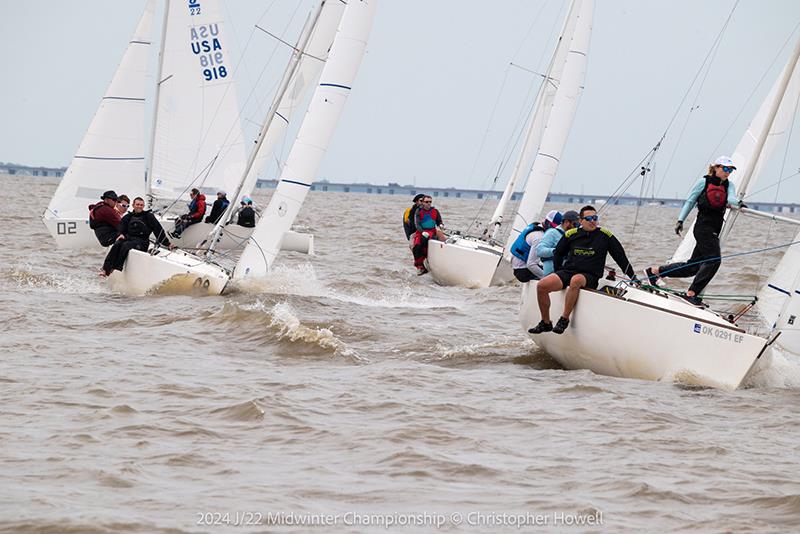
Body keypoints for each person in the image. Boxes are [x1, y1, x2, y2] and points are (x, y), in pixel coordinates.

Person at [643, 156, 738, 305]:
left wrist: (739, 203)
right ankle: (691, 293)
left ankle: (654, 272)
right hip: (702, 227)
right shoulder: (704, 182)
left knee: (693, 267)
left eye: (730, 170)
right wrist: (680, 220)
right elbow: (690, 201)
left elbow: (732, 198)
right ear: (716, 167)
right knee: (714, 260)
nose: (728, 172)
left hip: (715, 227)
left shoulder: (729, 185)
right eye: (725, 169)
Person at [529, 205, 637, 335]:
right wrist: (558, 271)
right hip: (568, 271)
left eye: (595, 218)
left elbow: (621, 258)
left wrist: (633, 277)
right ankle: (545, 322)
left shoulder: (605, 236)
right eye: (589, 218)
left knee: (576, 280)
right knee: (542, 285)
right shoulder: (571, 234)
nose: (593, 221)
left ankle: (564, 319)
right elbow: (558, 253)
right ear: (580, 221)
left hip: (589, 275)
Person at [101, 197, 173, 276]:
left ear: (143, 206)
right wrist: (120, 234)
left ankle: (115, 267)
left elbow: (158, 230)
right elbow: (121, 228)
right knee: (118, 244)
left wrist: (167, 243)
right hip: (129, 238)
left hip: (142, 242)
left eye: (141, 205)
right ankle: (105, 268)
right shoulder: (128, 217)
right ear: (133, 205)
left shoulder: (149, 216)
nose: (139, 206)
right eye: (137, 204)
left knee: (125, 245)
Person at [509, 210, 562, 283]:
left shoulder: (537, 226)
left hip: (518, 266)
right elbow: (531, 264)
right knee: (555, 276)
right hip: (522, 271)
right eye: (553, 228)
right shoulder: (539, 237)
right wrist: (547, 279)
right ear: (547, 223)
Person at [536, 210, 580, 276]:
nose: (577, 227)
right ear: (566, 222)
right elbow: (539, 250)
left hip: (566, 272)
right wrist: (557, 251)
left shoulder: (573, 236)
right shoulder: (552, 233)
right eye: (576, 224)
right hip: (552, 274)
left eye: (579, 225)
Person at [411, 195, 444, 275]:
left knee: (435, 239)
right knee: (417, 246)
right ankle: (420, 266)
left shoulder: (435, 211)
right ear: (422, 203)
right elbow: (417, 224)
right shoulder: (418, 211)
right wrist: (422, 232)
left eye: (430, 202)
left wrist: (441, 225)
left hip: (432, 231)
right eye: (426, 202)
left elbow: (439, 221)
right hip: (422, 231)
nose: (429, 203)